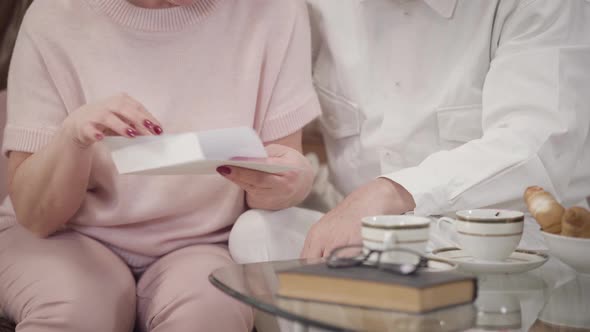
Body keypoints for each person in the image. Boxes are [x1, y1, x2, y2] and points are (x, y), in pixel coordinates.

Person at [0, 0, 320, 331]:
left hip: (201, 244)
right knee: (77, 310)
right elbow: (36, 218)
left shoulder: (273, 11)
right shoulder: (53, 16)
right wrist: (73, 137)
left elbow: (274, 182)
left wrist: (287, 184)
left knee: (211, 309)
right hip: (65, 235)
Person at [229, 0, 590, 263]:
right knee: (256, 233)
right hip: (358, 242)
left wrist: (393, 191)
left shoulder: (542, 5)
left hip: (503, 249)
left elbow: (535, 149)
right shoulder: (317, 8)